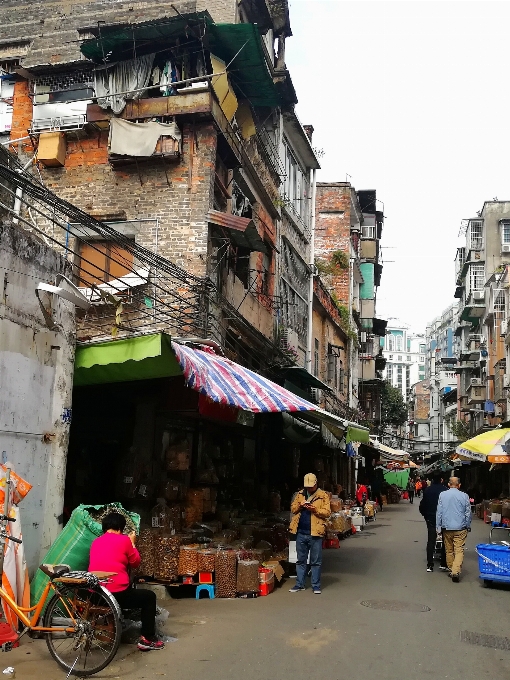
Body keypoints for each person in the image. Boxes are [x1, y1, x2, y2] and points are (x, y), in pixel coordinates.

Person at [88, 512, 165, 651]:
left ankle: (119, 625)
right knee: (149, 597)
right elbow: (135, 562)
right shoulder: (124, 541)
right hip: (116, 595)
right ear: (121, 528)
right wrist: (132, 544)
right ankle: (147, 639)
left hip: (96, 595)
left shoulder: (95, 542)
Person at [289, 473, 331, 594]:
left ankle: (316, 585)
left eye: (311, 487)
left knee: (315, 561)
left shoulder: (323, 496)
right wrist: (300, 505)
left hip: (316, 533)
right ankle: (299, 584)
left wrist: (315, 509)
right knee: (300, 560)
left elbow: (327, 513)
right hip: (301, 532)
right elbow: (293, 509)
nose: (309, 489)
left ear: (316, 484)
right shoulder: (300, 494)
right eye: (307, 487)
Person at [436, 477, 472, 582]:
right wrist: (468, 525)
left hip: (446, 527)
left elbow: (439, 512)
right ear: (459, 485)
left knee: (449, 550)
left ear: (448, 484)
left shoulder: (442, 495)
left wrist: (438, 527)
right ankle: (455, 571)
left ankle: (452, 570)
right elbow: (468, 513)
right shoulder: (464, 496)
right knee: (459, 549)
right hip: (461, 527)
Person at [419, 474, 447, 572]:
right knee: (445, 540)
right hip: (443, 519)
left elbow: (422, 506)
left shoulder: (427, 490)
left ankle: (430, 564)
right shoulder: (445, 490)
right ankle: (443, 563)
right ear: (441, 480)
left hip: (430, 518)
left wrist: (426, 516)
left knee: (431, 540)